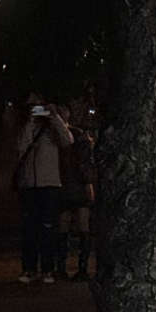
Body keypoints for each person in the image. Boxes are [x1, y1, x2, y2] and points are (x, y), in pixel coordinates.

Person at [14, 95, 73, 283]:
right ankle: (29, 269)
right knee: (29, 229)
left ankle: (48, 269)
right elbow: (20, 147)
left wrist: (54, 117)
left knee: (48, 228)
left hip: (50, 184)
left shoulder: (52, 130)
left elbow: (67, 140)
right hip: (29, 184)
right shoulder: (26, 127)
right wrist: (30, 122)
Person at [58, 108, 97, 280]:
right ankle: (82, 267)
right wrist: (88, 183)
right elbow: (85, 164)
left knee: (64, 227)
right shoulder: (81, 138)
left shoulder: (58, 140)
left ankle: (61, 267)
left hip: (64, 185)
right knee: (83, 228)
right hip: (78, 187)